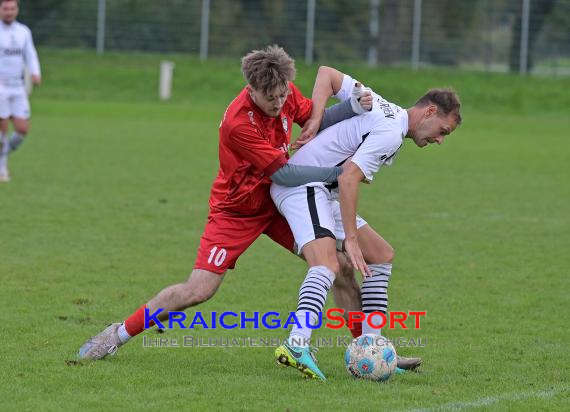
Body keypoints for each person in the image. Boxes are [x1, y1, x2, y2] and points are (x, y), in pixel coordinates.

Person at [78, 45, 373, 360]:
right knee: (198, 290)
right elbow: (285, 173)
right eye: (270, 97)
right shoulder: (238, 122)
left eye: (282, 94)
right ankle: (117, 334)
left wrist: (351, 107)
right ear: (251, 90)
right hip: (237, 211)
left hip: (281, 203)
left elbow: (314, 118)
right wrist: (343, 173)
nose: (279, 102)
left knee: (340, 267)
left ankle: (365, 351)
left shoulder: (283, 92)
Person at [271, 74, 462, 380]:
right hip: (302, 186)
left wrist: (316, 119)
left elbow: (328, 75)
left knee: (381, 255)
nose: (439, 140)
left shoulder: (388, 112)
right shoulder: (391, 130)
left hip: (321, 189)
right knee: (327, 264)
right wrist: (351, 240)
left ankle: (372, 346)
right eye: (443, 131)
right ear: (429, 112)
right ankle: (295, 343)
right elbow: (349, 178)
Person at [0, 0, 41, 182]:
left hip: (18, 86)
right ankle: (2, 169)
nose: (9, 12)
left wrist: (35, 72)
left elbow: (30, 54)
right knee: (2, 129)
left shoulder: (23, 31)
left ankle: (2, 155)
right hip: (0, 85)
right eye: (5, 8)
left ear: (17, 10)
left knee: (22, 129)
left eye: (12, 9)